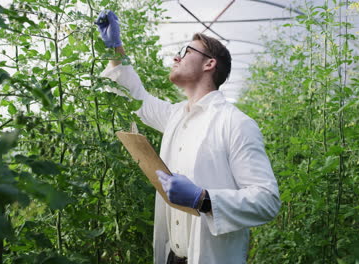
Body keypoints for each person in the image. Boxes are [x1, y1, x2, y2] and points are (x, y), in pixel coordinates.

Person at [95, 10, 281, 264]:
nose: (175, 56)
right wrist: (115, 50)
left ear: (209, 63)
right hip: (174, 256)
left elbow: (267, 201)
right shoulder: (176, 116)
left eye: (186, 52)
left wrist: (203, 199)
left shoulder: (235, 123)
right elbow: (135, 97)